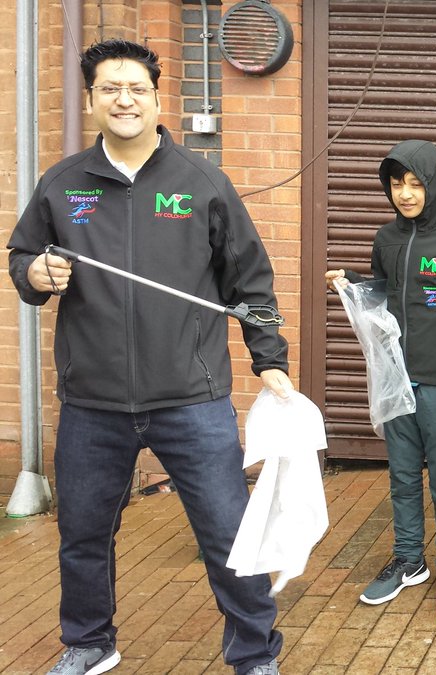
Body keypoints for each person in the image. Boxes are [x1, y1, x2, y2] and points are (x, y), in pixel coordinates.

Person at [7, 40, 289, 675]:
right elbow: (21, 257)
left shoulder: (201, 183)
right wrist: (36, 274)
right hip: (93, 403)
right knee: (82, 537)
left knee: (228, 536)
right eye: (110, 88)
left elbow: (252, 283)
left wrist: (269, 357)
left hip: (192, 398)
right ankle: (89, 643)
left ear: (158, 96)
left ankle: (254, 655)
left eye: (136, 87)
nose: (124, 99)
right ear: (91, 99)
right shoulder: (62, 185)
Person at [325, 140, 436, 614]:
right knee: (402, 476)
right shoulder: (387, 239)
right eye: (396, 184)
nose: (404, 193)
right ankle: (408, 561)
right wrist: (355, 282)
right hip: (397, 377)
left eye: (415, 183)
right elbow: (387, 294)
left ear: (435, 184)